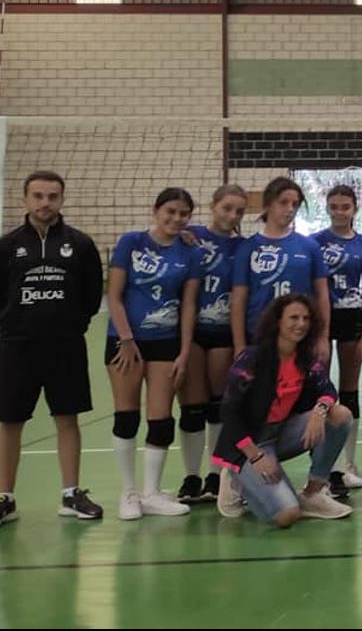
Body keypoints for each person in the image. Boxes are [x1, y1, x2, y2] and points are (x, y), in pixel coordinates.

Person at [0, 170, 104, 525]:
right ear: (25, 199)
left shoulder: (80, 244)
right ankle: (5, 498)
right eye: (38, 196)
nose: (45, 203)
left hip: (66, 346)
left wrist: (72, 325)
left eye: (52, 196)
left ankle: (71, 494)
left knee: (67, 417)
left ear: (62, 199)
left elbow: (92, 294)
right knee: (10, 421)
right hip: (17, 347)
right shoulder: (8, 246)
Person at [211, 293, 354, 526]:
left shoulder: (305, 358)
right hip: (249, 444)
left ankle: (313, 494)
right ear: (278, 321)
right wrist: (255, 456)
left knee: (340, 415)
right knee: (287, 515)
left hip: (282, 432)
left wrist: (320, 410)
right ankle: (237, 477)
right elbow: (229, 411)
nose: (301, 324)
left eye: (306, 318)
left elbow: (327, 389)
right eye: (294, 318)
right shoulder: (253, 358)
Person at [106, 187, 204, 520]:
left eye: (184, 213)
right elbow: (114, 295)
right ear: (156, 211)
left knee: (161, 418)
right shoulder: (131, 242)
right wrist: (126, 338)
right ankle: (128, 493)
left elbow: (188, 305)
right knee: (126, 415)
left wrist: (184, 351)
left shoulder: (190, 252)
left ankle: (152, 493)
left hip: (166, 340)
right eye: (171, 211)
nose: (176, 218)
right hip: (126, 340)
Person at [178, 184, 246, 503]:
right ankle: (191, 477)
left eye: (239, 211)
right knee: (192, 407)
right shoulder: (190, 235)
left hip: (223, 331)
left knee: (218, 406)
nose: (232, 215)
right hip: (191, 332)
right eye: (227, 208)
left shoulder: (243, 247)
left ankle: (214, 475)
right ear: (213, 205)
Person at [312, 184, 362, 496]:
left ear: (355, 209)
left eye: (345, 207)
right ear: (327, 208)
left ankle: (349, 464)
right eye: (334, 206)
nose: (339, 212)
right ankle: (327, 466)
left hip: (352, 317)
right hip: (323, 319)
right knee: (323, 392)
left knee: (350, 392)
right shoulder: (315, 242)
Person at [230, 177, 330, 360]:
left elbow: (322, 295)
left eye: (295, 204)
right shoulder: (247, 247)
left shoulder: (309, 247)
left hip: (300, 335)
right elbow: (239, 299)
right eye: (283, 202)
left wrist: (323, 337)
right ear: (268, 205)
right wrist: (239, 344)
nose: (290, 209)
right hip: (259, 333)